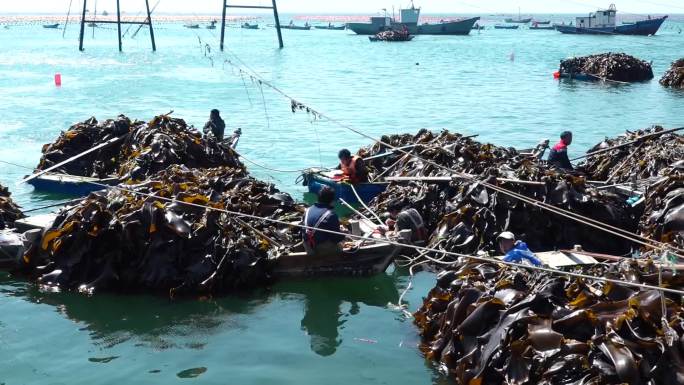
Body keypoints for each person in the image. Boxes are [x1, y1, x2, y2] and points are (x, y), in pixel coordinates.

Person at [302, 186, 346, 257]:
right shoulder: (331, 215)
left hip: (308, 247)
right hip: (320, 250)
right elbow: (336, 239)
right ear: (332, 200)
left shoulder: (307, 210)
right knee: (343, 240)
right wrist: (344, 233)